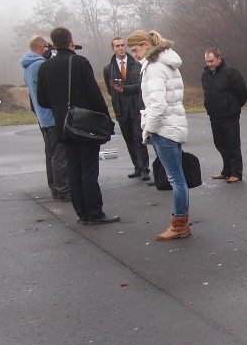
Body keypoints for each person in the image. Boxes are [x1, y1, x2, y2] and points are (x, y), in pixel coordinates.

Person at [37, 27, 119, 224]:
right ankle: (94, 212)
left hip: (63, 125)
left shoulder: (45, 67)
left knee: (73, 168)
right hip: (85, 124)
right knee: (89, 169)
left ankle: (81, 213)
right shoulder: (79, 63)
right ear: (71, 41)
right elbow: (95, 95)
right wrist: (106, 119)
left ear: (54, 44)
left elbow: (41, 100)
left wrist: (59, 108)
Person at [127, 30, 190, 240]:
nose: (134, 55)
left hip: (164, 129)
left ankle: (179, 223)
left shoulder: (154, 67)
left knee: (176, 179)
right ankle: (182, 222)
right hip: (174, 125)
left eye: (135, 50)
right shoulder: (167, 63)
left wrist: (150, 130)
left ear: (146, 45)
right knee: (178, 178)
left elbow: (158, 104)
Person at [20, 35, 70, 202]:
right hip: (51, 116)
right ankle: (63, 189)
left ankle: (55, 187)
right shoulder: (40, 65)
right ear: (42, 47)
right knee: (59, 155)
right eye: (47, 47)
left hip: (42, 118)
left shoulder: (27, 67)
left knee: (50, 155)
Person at [103, 37, 150, 182]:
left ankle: (144, 169)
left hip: (136, 107)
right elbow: (110, 89)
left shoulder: (136, 64)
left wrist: (124, 89)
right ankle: (137, 166)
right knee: (129, 138)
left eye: (123, 45)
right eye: (118, 46)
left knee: (139, 138)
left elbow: (141, 86)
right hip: (121, 109)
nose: (121, 48)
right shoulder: (108, 68)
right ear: (113, 48)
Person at [202, 47, 247, 183]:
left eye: (211, 61)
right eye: (207, 61)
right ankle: (226, 170)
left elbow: (243, 93)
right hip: (214, 115)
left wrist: (233, 106)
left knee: (232, 144)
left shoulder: (231, 73)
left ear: (219, 58)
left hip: (229, 115)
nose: (209, 64)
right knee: (220, 144)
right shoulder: (205, 74)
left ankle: (236, 172)